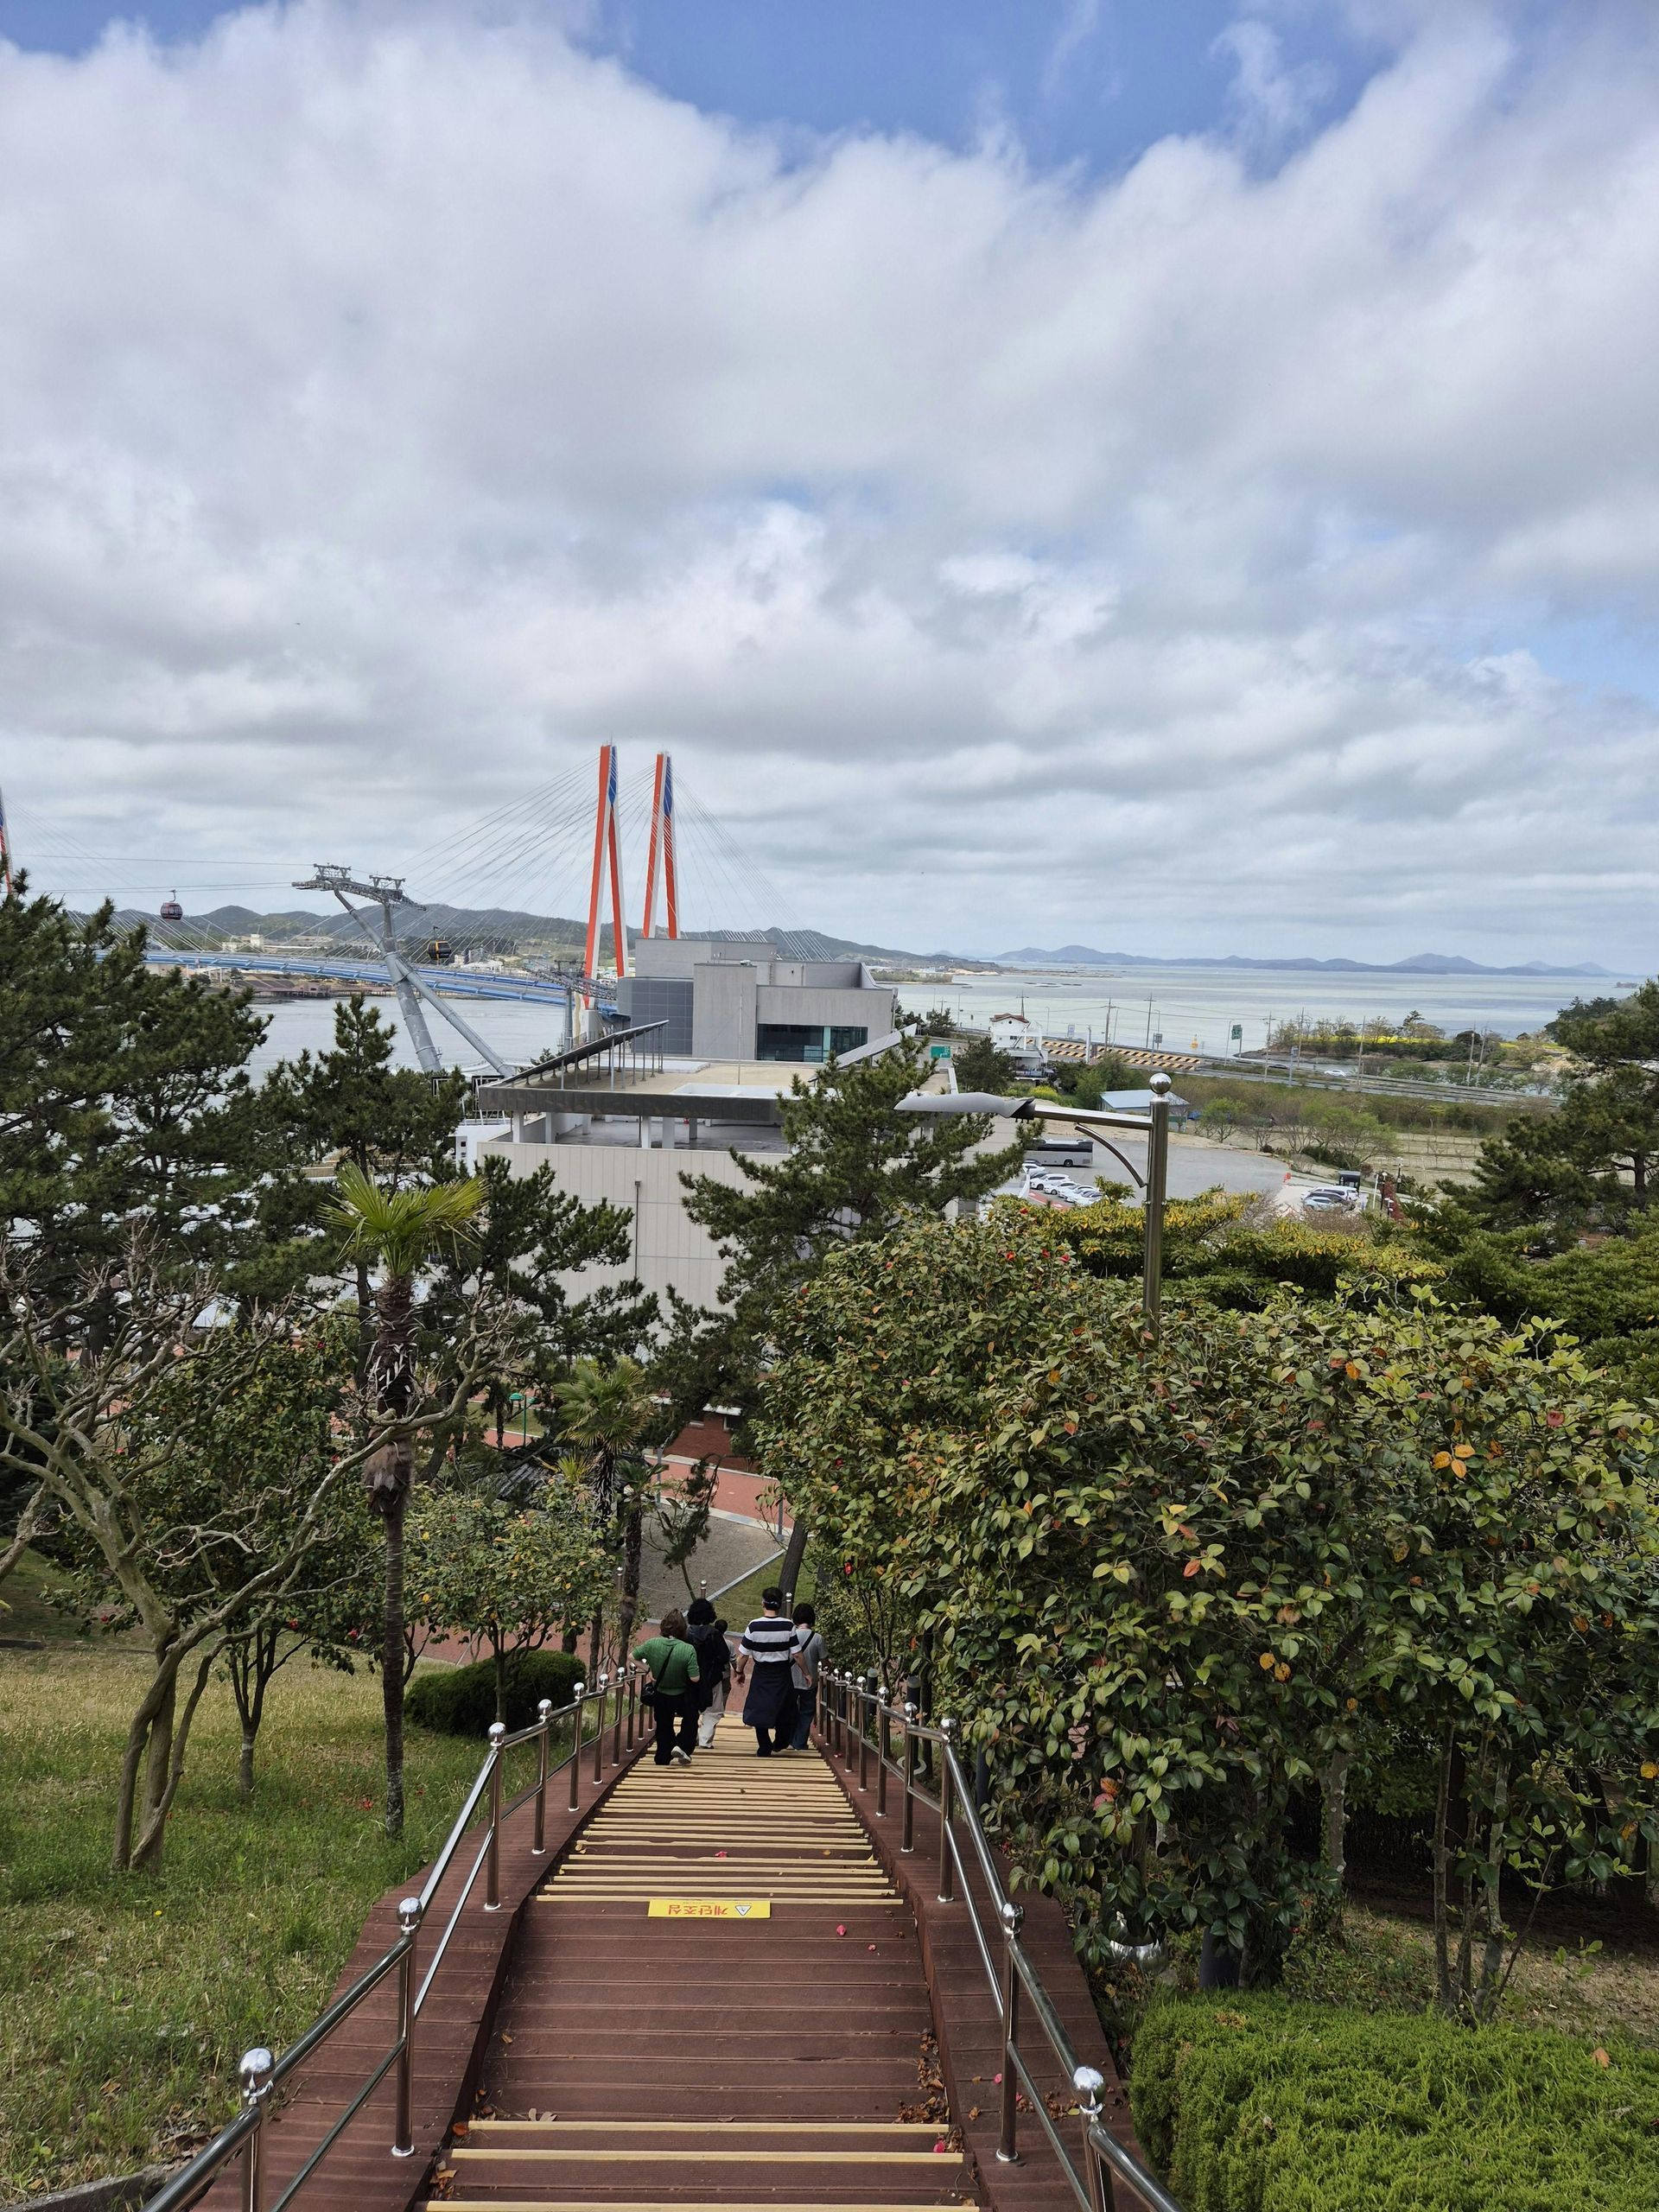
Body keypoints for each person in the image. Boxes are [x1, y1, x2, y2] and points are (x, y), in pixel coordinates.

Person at [632, 1607, 701, 1767]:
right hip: (681, 1694)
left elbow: (632, 1657)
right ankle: (682, 1745)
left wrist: (648, 1669)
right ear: (683, 1628)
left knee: (663, 1724)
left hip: (661, 1692)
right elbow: (695, 1678)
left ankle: (662, 1756)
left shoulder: (652, 1644)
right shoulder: (687, 1649)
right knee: (691, 1719)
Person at [734, 1585, 798, 1756]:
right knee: (785, 1706)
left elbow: (743, 1655)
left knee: (759, 1707)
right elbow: (797, 1654)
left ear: (763, 1603)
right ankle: (781, 1740)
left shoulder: (754, 1626)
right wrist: (806, 1673)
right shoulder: (788, 1625)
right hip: (782, 1672)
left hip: (761, 1671)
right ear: (780, 1605)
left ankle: (764, 1745)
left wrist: (739, 1672)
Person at [685, 1597, 733, 1750]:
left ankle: (691, 1737)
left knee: (692, 1708)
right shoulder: (714, 1633)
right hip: (712, 1677)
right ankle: (705, 1739)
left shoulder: (687, 1634)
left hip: (690, 1676)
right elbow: (724, 1656)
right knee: (713, 1710)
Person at [789, 1600, 824, 1751]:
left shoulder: (790, 1635)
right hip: (810, 1682)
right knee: (806, 1711)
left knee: (790, 1710)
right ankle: (800, 1742)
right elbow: (824, 1659)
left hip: (790, 1679)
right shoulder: (818, 1638)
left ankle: (789, 1738)